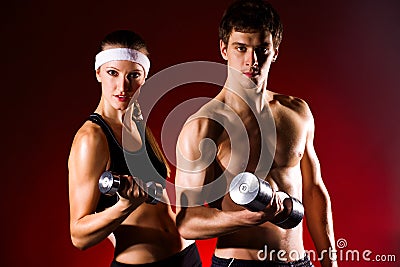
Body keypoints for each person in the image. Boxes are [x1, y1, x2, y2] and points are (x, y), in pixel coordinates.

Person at [175, 1, 337, 266]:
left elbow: (314, 190)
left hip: (299, 261)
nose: (252, 61)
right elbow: (186, 222)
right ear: (223, 49)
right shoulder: (205, 127)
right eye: (241, 48)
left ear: (274, 52)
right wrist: (242, 219)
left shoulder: (297, 112)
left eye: (262, 49)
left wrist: (331, 263)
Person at [68, 30, 201, 267]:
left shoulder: (135, 121)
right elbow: (78, 235)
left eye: (133, 75)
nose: (123, 86)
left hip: (187, 257)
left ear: (145, 78)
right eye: (113, 73)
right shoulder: (92, 137)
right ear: (98, 73)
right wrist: (123, 206)